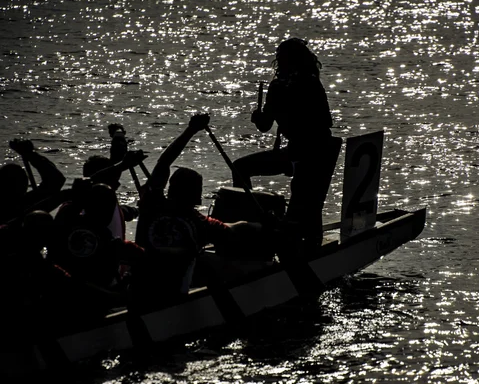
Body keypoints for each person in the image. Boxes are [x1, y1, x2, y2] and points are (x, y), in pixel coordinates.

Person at [131, 113, 262, 309]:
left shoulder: (152, 204)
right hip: (173, 296)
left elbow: (164, 163)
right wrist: (263, 226)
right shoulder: (199, 223)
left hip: (140, 292)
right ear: (197, 197)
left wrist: (191, 130)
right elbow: (236, 229)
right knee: (212, 264)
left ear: (171, 188)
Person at [232, 38, 342, 247]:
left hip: (316, 153)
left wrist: (286, 114)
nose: (279, 63)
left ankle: (311, 245)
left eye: (282, 58)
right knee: (240, 168)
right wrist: (259, 117)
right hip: (294, 151)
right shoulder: (281, 86)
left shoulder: (307, 84)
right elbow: (265, 125)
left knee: (309, 203)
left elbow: (325, 121)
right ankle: (252, 223)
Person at [0, 139, 66, 273]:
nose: (25, 189)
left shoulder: (17, 201)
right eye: (22, 185)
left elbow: (55, 181)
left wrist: (30, 154)